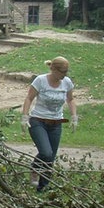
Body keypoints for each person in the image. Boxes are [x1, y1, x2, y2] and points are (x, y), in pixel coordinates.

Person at [20, 56, 77, 192]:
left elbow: (70, 99)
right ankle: (34, 169)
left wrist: (74, 116)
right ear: (54, 70)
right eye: (63, 71)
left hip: (56, 123)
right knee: (46, 153)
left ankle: (43, 188)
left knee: (50, 159)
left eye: (66, 71)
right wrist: (24, 116)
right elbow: (29, 98)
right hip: (38, 121)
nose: (65, 74)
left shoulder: (67, 82)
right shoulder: (41, 80)